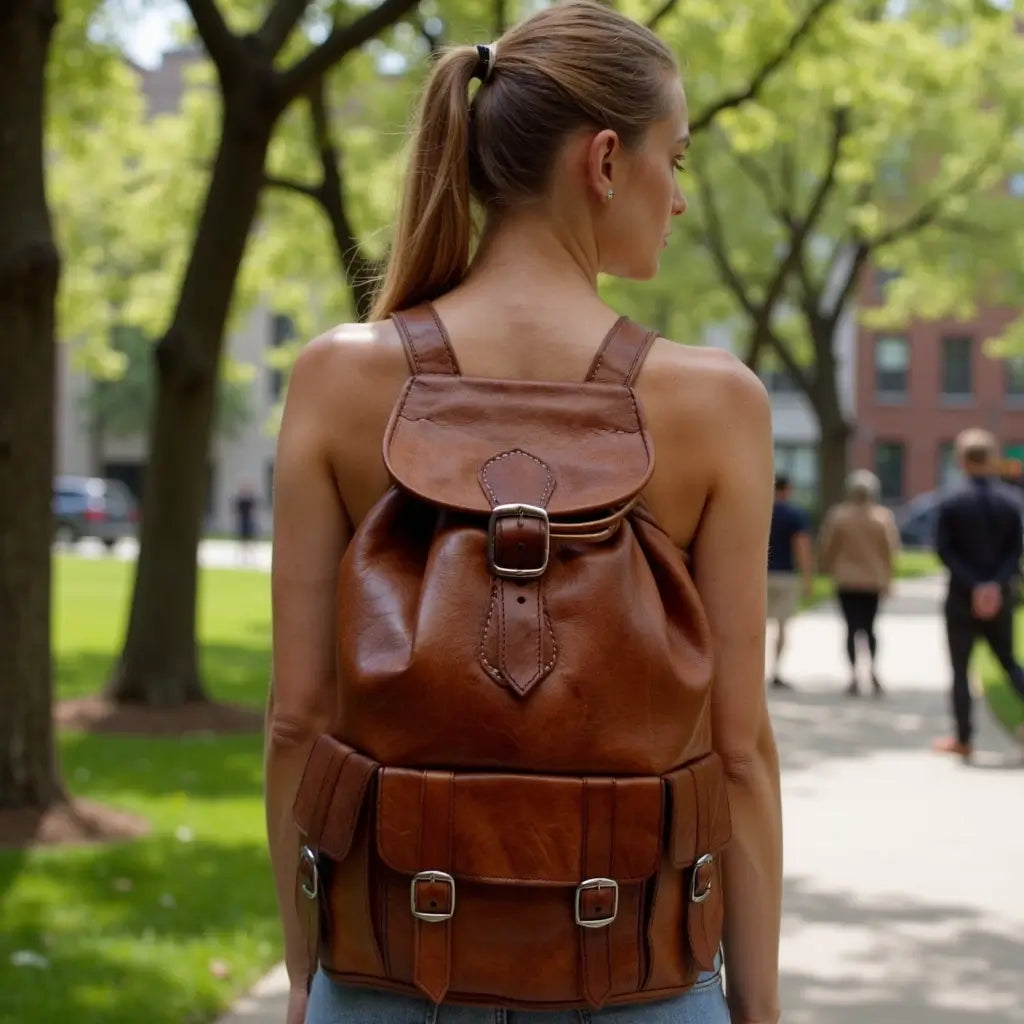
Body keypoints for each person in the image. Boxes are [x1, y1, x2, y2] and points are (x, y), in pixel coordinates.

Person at [266, 4, 782, 1024]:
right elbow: (739, 753)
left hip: (387, 978)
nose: (676, 199)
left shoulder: (336, 377)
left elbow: (296, 721)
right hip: (636, 980)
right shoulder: (714, 404)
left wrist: (302, 974)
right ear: (603, 161)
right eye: (672, 160)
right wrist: (757, 1007)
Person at [934, 428, 1024, 759]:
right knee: (1009, 664)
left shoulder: (952, 500)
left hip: (960, 596)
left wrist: (974, 585)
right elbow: (1016, 550)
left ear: (962, 460)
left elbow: (944, 550)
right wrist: (993, 585)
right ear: (991, 458)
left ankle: (963, 739)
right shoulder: (1011, 501)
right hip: (1001, 596)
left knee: (960, 669)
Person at [818, 470, 899, 697]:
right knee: (871, 628)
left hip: (846, 579)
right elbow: (890, 551)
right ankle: (873, 670)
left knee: (851, 628)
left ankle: (854, 674)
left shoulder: (839, 517)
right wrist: (889, 579)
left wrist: (827, 567)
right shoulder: (881, 517)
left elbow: (827, 547)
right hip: (873, 580)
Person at [765, 473, 814, 690]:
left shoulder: (761, 511)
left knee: (758, 626)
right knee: (782, 626)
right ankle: (776, 670)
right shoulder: (795, 515)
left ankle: (756, 670)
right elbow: (802, 548)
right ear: (789, 489)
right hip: (786, 575)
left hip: (761, 575)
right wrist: (807, 579)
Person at [233, 482, 258, 561]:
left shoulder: (250, 499)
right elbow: (236, 511)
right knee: (241, 540)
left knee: (249, 540)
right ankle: (240, 557)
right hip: (242, 521)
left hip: (248, 521)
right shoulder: (241, 500)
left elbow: (254, 511)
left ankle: (251, 557)